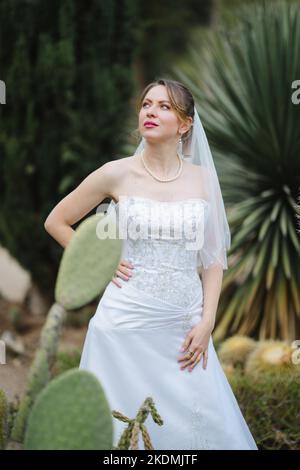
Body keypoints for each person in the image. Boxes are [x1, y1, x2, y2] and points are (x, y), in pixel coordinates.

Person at [44, 78, 258, 450]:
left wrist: (207, 321)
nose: (151, 111)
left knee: (198, 422)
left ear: (185, 123)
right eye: (146, 104)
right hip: (123, 321)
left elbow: (211, 261)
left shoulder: (203, 179)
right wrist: (99, 263)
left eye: (163, 106)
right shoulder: (117, 172)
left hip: (184, 324)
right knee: (117, 424)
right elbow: (56, 221)